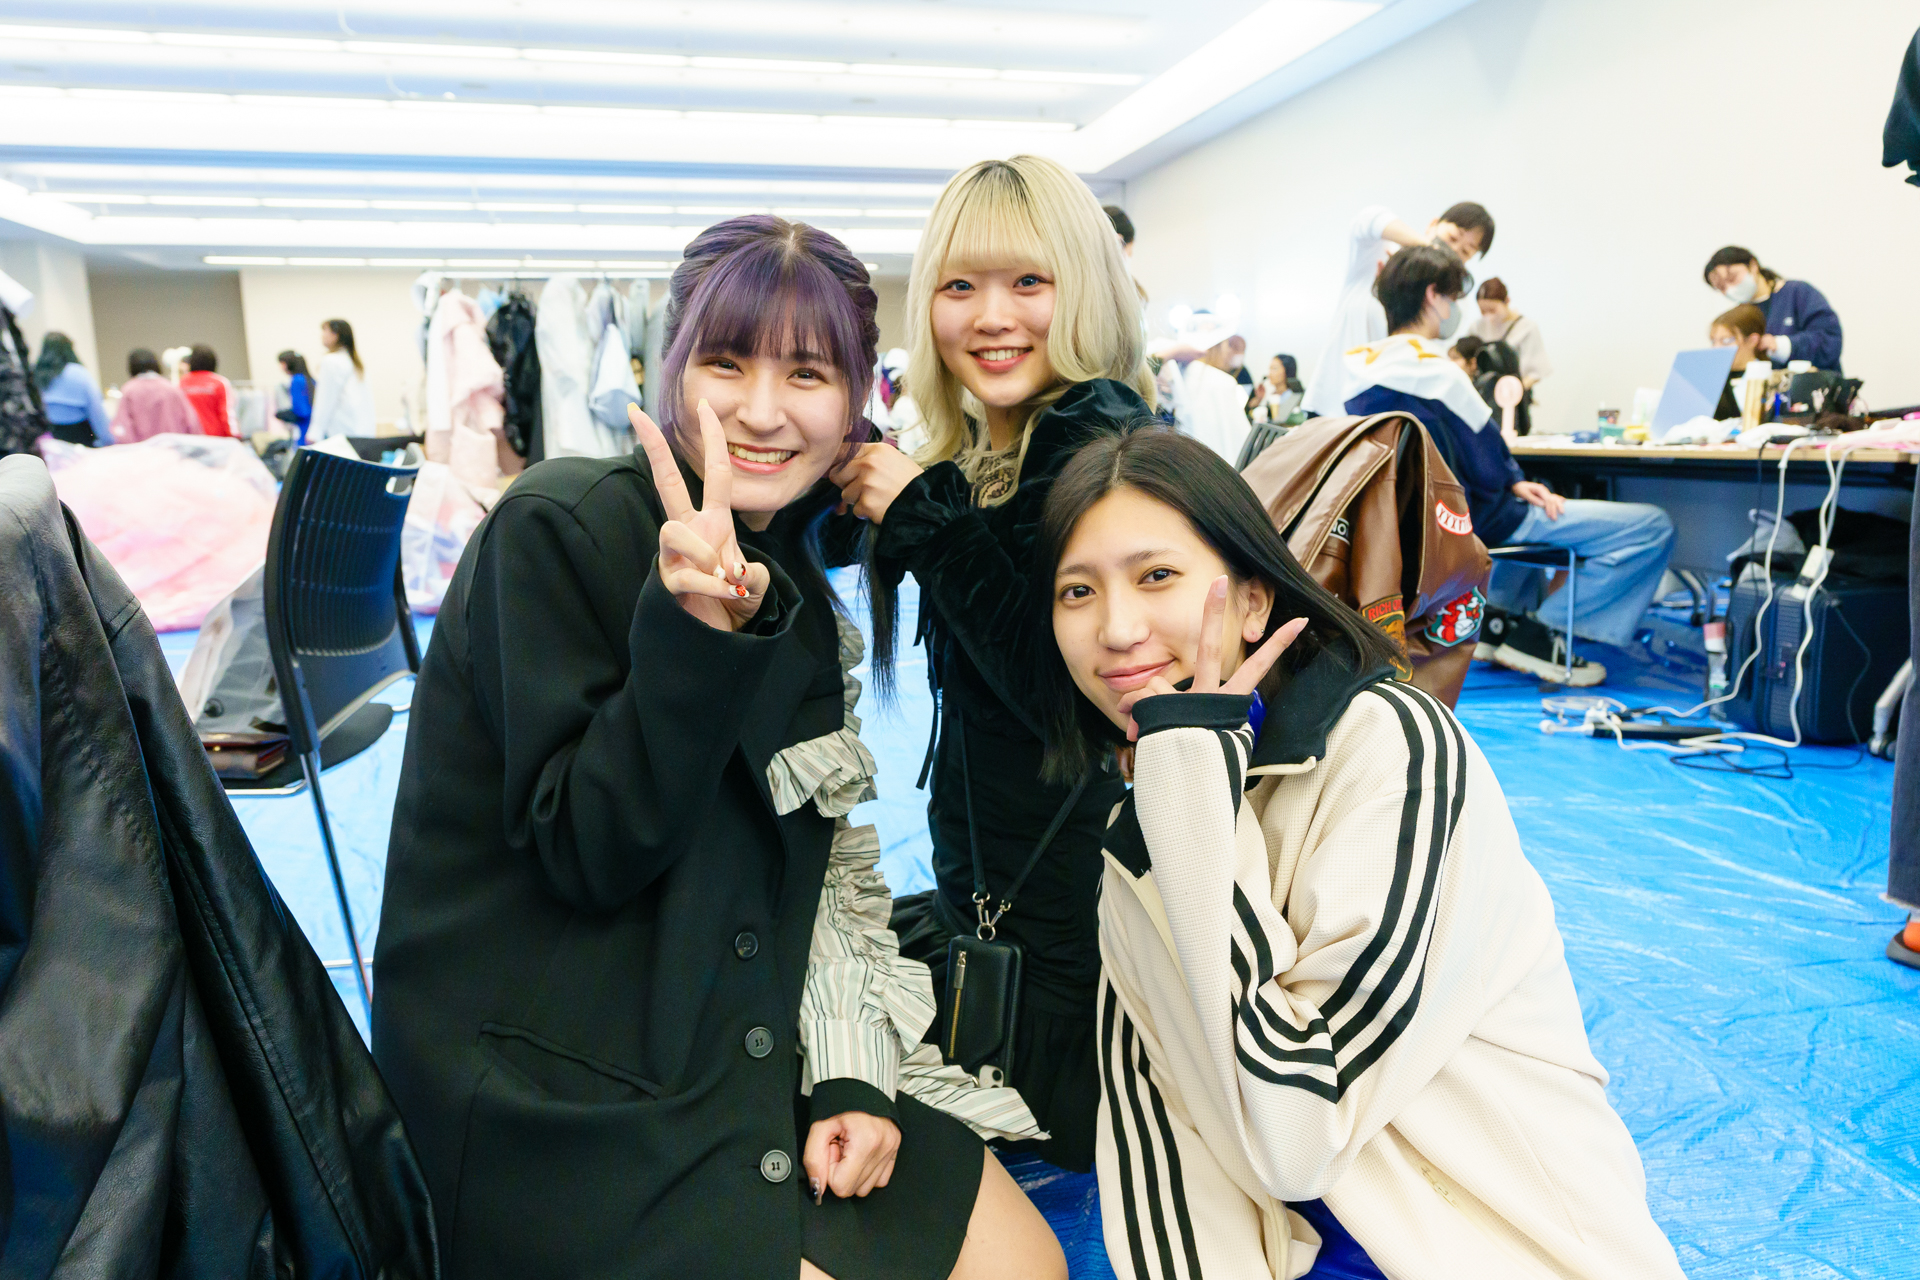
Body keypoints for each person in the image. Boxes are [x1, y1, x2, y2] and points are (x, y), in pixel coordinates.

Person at [372, 215, 1064, 1280]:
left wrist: (849, 1072)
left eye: (807, 372)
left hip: (734, 1021)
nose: (762, 409)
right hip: (561, 1082)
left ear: (856, 400)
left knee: (1026, 1261)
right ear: (673, 372)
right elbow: (591, 851)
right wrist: (690, 639)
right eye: (726, 363)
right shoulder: (559, 526)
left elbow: (824, 864)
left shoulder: (795, 587)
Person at [1033, 426, 1687, 1280]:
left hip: (1478, 1243)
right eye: (1077, 591)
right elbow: (1164, 1127)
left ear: (1256, 602)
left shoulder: (1396, 753)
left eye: (1157, 576)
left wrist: (1187, 798)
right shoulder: (1151, 809)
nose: (1117, 629)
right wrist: (1179, 788)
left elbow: (1299, 1134)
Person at [830, 154, 1153, 1174]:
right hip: (990, 885)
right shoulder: (985, 445)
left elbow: (1066, 694)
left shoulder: (1098, 442)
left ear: (1082, 289)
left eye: (1028, 282)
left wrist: (925, 515)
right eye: (960, 285)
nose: (991, 316)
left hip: (1067, 920)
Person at [1344, 245, 1675, 686]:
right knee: (1652, 525)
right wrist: (1516, 480)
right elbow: (1488, 464)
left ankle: (1495, 623)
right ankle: (1541, 634)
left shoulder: (1352, 371)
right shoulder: (1440, 375)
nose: (1456, 309)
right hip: (1473, 522)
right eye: (1454, 298)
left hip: (1402, 529)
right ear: (1434, 296)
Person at [1301, 201, 1495, 419]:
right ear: (1433, 225)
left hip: (1379, 420)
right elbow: (1369, 219)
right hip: (1329, 406)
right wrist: (1427, 251)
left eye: (1466, 251)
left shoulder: (1450, 302)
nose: (1454, 251)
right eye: (1452, 237)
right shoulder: (1381, 257)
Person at [1702, 246, 1843, 372]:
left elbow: (1830, 341)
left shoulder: (1798, 293)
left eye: (1732, 278)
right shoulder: (1740, 315)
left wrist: (1780, 345)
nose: (1730, 289)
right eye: (1721, 287)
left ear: (1753, 266)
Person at [1156, 305, 1252, 463]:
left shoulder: (1175, 378)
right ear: (1217, 345)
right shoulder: (1222, 382)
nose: (1228, 351)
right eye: (1226, 344)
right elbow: (1245, 446)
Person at [1468, 278, 1553, 390]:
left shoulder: (1526, 328)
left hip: (1513, 393)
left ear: (1507, 301)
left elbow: (1536, 372)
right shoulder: (1477, 326)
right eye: (1483, 311)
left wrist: (1513, 391)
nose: (1488, 316)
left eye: (1492, 310)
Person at [33, 332, 111, 446]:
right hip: (82, 440)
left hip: (53, 442)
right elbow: (97, 412)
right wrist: (108, 440)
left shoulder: (37, 375)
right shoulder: (79, 374)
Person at [111, 348, 200, 443]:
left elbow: (122, 429)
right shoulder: (171, 389)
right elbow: (192, 423)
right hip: (172, 449)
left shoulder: (129, 391)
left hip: (142, 450)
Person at [309, 318, 377, 439]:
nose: (322, 336)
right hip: (363, 432)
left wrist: (315, 432)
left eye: (325, 331)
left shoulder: (331, 361)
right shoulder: (356, 363)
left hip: (342, 432)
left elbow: (325, 399)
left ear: (336, 335)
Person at [1708, 303, 1768, 418]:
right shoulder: (1711, 379)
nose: (1716, 348)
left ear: (1752, 340)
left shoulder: (1768, 379)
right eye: (1713, 341)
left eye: (1726, 341)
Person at [177, 344, 234, 437]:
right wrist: (233, 436)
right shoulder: (220, 382)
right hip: (215, 438)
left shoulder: (181, 384)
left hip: (190, 438)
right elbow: (227, 413)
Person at [276, 349, 315, 443]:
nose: (281, 367)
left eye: (282, 363)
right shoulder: (310, 380)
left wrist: (285, 415)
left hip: (304, 429)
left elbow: (302, 411)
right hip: (313, 427)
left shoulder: (297, 380)